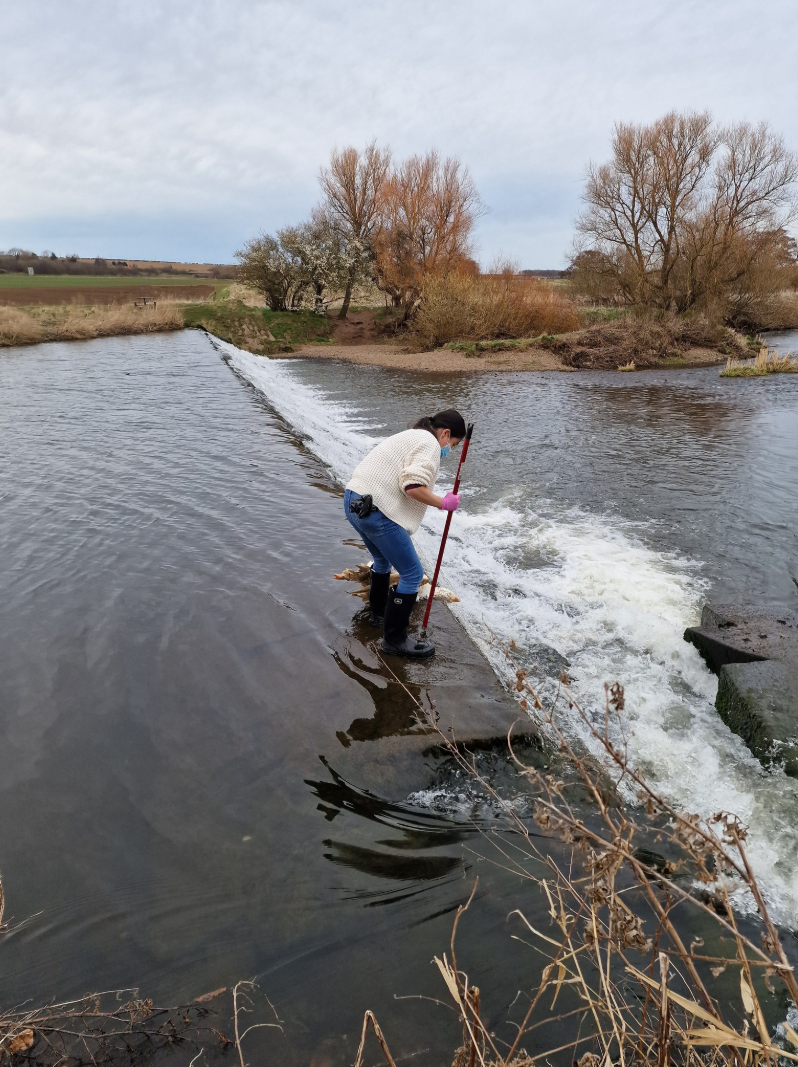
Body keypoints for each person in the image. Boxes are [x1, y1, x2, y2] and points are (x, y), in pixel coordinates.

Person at [344, 408, 467, 659]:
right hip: (376, 511)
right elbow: (412, 486)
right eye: (452, 444)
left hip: (353, 502)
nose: (449, 449)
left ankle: (378, 614)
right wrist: (443, 502)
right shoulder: (430, 443)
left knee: (381, 561)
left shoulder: (412, 435)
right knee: (412, 574)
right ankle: (395, 641)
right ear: (445, 433)